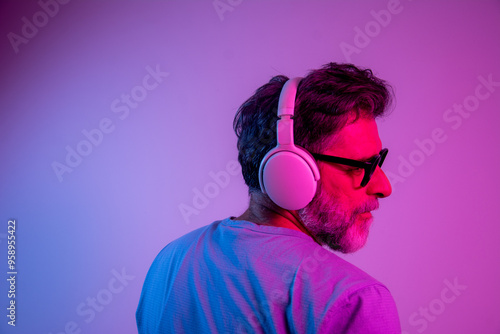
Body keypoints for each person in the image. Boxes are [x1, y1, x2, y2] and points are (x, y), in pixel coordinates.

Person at [136, 63, 401, 333]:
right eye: (360, 165)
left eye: (379, 161)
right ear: (292, 169)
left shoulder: (169, 262)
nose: (384, 186)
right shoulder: (355, 300)